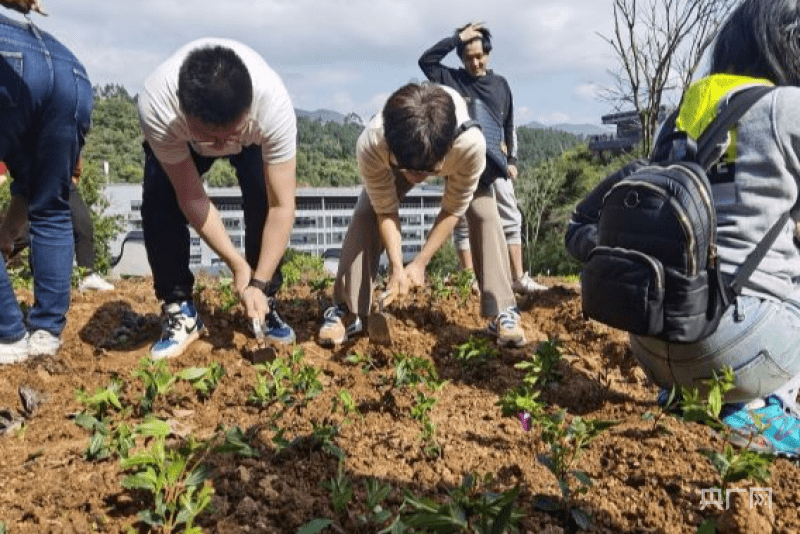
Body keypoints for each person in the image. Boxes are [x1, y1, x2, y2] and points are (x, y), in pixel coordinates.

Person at [566, 0, 800, 456]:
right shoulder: (787, 107)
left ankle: (695, 396)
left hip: (654, 337)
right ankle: (760, 404)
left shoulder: (682, 113)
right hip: (741, 346)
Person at [318, 82, 526, 348]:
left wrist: (420, 263)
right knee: (365, 213)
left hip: (449, 153)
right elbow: (386, 209)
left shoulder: (469, 145)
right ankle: (346, 309)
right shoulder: (373, 142)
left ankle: (503, 309)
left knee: (484, 212)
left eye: (426, 171)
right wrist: (396, 267)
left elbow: (453, 208)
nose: (416, 178)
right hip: (405, 151)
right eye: (409, 170)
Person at [137, 38, 297, 359]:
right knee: (159, 199)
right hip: (183, 141)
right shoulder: (158, 105)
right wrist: (237, 264)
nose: (221, 144)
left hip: (253, 138)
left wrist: (259, 281)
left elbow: (282, 206)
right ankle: (180, 308)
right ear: (184, 110)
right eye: (210, 137)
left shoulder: (273, 108)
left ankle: (265, 301)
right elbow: (191, 196)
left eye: (229, 135)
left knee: (262, 196)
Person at [419, 22, 546, 295]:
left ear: (488, 54)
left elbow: (509, 123)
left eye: (479, 56)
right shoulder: (452, 79)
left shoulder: (500, 84)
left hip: (495, 162)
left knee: (511, 216)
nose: (475, 63)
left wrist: (512, 159)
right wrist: (456, 38)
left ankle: (518, 277)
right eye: (468, 58)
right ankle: (470, 280)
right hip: (462, 160)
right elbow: (426, 61)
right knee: (461, 219)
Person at [0, 2, 93, 363]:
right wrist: (8, 232)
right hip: (72, 74)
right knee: (51, 205)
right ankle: (45, 334)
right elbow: (32, 186)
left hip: (10, 61)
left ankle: (7, 334)